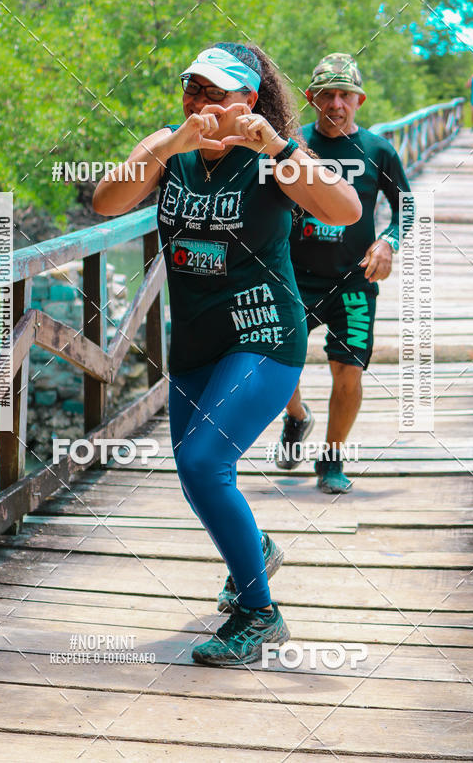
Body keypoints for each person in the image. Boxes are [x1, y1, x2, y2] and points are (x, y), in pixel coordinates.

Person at [93, 42, 361, 666]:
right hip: (195, 342)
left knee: (203, 460)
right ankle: (255, 547)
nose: (201, 106)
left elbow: (345, 211)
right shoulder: (168, 148)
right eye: (193, 91)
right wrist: (169, 145)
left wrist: (277, 146)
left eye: (216, 95)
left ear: (248, 102)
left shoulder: (274, 159)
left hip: (264, 334)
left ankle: (258, 614)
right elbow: (105, 202)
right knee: (198, 476)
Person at [276, 53, 411, 493]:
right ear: (312, 99)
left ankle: (331, 461)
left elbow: (408, 208)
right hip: (293, 277)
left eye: (345, 95)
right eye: (327, 95)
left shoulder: (377, 150)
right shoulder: (291, 145)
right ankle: (296, 417)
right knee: (277, 363)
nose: (336, 103)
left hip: (354, 280)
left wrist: (389, 241)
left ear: (359, 100)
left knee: (347, 371)